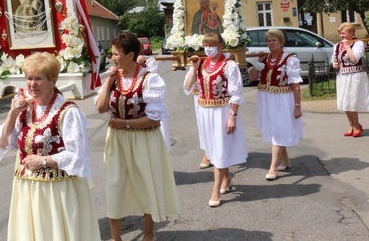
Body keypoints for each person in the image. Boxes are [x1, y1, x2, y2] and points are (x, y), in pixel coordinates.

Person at [0, 52, 100, 241]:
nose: (32, 84)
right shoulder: (25, 109)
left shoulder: (68, 111)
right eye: (29, 78)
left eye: (39, 79)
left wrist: (44, 160)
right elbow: (4, 144)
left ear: (53, 81)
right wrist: (12, 113)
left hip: (57, 189)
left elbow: (77, 154)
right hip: (27, 187)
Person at [98, 33, 179, 241]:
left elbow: (154, 120)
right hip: (117, 141)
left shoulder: (150, 79)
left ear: (130, 54)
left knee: (146, 185)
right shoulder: (115, 78)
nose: (112, 58)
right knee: (115, 187)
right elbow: (100, 108)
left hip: (144, 139)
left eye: (116, 54)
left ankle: (149, 235)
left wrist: (124, 123)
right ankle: (116, 238)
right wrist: (109, 83)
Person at [184, 33, 247, 207]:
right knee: (214, 149)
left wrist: (232, 116)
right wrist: (194, 68)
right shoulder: (201, 64)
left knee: (220, 149)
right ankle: (226, 179)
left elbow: (236, 93)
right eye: (205, 45)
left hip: (222, 111)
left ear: (220, 46)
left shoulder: (229, 65)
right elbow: (188, 87)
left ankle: (216, 188)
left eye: (211, 45)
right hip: (205, 112)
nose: (208, 49)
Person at [247, 28, 303, 180]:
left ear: (281, 42)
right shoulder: (265, 58)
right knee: (274, 130)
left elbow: (295, 85)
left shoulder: (290, 59)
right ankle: (285, 160)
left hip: (282, 98)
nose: (271, 43)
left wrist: (297, 107)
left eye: (274, 40)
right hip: (266, 97)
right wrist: (258, 63)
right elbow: (252, 77)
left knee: (279, 130)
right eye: (268, 41)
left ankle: (273, 167)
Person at [332, 23, 369, 137]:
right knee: (345, 101)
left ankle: (357, 125)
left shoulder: (358, 43)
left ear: (351, 33)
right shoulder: (337, 46)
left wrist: (348, 46)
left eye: (343, 33)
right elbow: (334, 59)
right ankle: (351, 125)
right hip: (342, 76)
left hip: (355, 76)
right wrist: (334, 64)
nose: (341, 35)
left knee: (352, 100)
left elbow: (354, 59)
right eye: (340, 33)